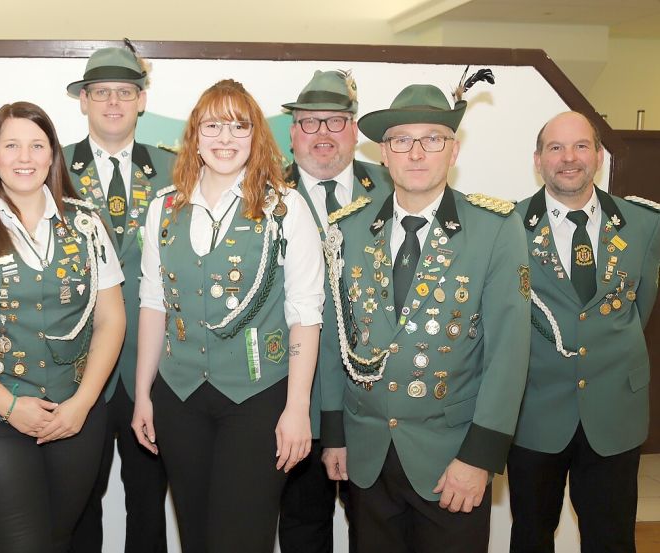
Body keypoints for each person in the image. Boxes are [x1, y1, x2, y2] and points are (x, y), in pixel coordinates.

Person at [319, 83, 530, 553]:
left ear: (453, 151)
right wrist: (334, 434)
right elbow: (335, 338)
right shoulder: (348, 229)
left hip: (452, 457)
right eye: (401, 140)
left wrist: (480, 457)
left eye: (432, 139)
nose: (416, 153)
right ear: (384, 154)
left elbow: (509, 355)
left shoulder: (495, 229)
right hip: (367, 453)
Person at [0, 101, 126, 553]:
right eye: (11, 145)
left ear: (53, 155)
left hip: (75, 415)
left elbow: (112, 320)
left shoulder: (87, 223)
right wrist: (10, 407)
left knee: (58, 541)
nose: (25, 157)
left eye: (37, 145)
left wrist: (82, 405)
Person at [131, 78, 324, 553]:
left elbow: (305, 312)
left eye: (239, 127)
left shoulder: (287, 207)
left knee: (240, 541)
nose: (224, 138)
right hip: (178, 398)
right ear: (195, 136)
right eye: (213, 125)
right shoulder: (163, 208)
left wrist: (297, 408)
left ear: (256, 137)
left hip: (257, 399)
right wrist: (142, 395)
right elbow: (153, 303)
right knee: (196, 538)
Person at [508, 111, 660, 553]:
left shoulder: (644, 225)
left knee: (611, 540)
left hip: (615, 409)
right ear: (538, 159)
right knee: (532, 538)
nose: (568, 158)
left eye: (580, 146)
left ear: (599, 155)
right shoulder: (509, 227)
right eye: (555, 148)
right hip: (534, 412)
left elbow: (639, 307)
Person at [65, 43, 175, 553]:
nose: (113, 103)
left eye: (125, 92)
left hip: (150, 369)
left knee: (148, 502)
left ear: (142, 100)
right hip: (75, 365)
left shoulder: (177, 170)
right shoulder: (51, 166)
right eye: (101, 92)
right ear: (83, 100)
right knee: (77, 502)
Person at [279, 69, 393, 553]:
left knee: (379, 527)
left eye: (336, 121)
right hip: (295, 400)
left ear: (354, 128)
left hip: (378, 400)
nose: (322, 134)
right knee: (304, 525)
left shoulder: (395, 189)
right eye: (310, 122)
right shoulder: (262, 196)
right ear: (292, 133)